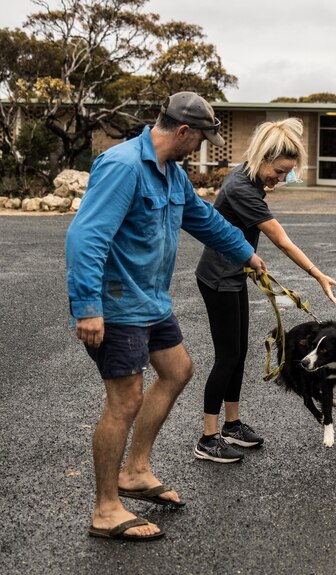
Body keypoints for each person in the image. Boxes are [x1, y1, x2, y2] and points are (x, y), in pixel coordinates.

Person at [66, 92, 267, 541]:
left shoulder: (171, 175)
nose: (200, 147)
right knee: (124, 399)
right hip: (116, 303)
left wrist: (247, 255)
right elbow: (86, 236)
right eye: (200, 138)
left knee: (177, 370)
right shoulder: (123, 167)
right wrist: (87, 307)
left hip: (150, 301)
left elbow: (205, 220)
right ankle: (105, 509)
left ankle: (135, 472)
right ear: (182, 131)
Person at [194, 118, 336, 463]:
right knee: (227, 357)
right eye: (278, 171)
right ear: (262, 160)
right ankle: (208, 437)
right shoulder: (242, 190)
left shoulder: (249, 177)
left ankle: (231, 426)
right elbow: (281, 239)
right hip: (218, 279)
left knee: (239, 353)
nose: (281, 178)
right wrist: (316, 273)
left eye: (286, 172)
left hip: (234, 275)